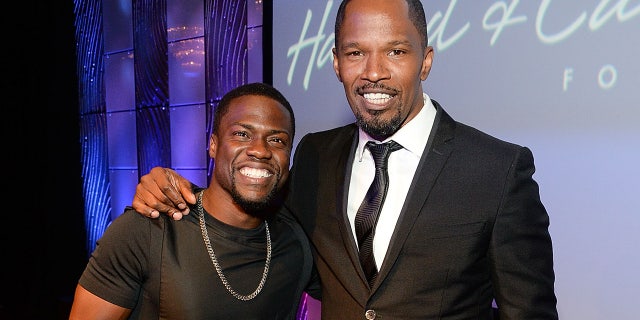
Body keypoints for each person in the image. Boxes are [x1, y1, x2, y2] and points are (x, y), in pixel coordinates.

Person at [131, 0, 559, 319]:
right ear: (337, 63)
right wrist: (175, 192)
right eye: (355, 53)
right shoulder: (316, 154)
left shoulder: (497, 169)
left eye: (395, 51)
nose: (374, 71)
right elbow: (256, 223)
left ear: (425, 61)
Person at [69, 83, 320, 319]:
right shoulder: (148, 229)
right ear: (213, 145)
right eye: (242, 134)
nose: (260, 150)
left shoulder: (295, 242)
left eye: (277, 140)